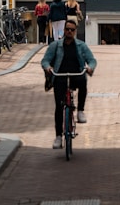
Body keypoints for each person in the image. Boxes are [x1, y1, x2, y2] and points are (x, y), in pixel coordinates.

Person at [41, 19, 97, 149]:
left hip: (75, 75)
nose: (69, 32)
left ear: (75, 31)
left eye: (72, 30)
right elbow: (45, 60)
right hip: (60, 77)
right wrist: (48, 67)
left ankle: (81, 111)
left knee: (83, 82)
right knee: (59, 107)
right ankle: (58, 137)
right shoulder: (55, 45)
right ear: (64, 30)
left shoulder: (81, 45)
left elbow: (92, 60)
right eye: (67, 29)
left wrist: (90, 67)